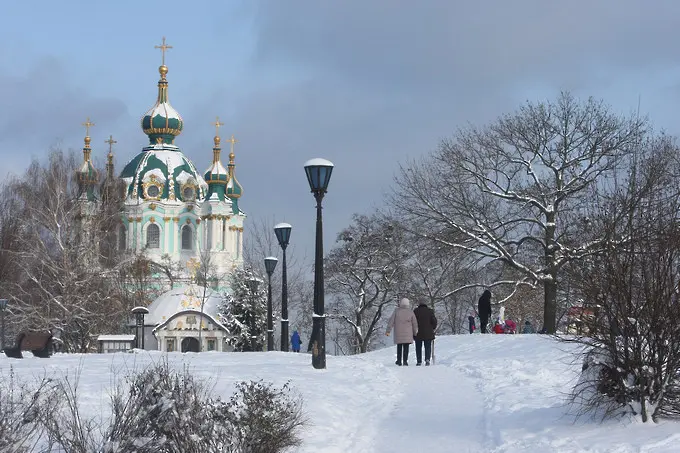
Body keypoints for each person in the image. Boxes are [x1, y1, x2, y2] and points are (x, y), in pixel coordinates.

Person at [386, 298, 418, 366]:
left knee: (399, 346)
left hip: (398, 333)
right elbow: (415, 323)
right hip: (408, 333)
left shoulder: (396, 311)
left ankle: (399, 361)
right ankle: (405, 361)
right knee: (406, 347)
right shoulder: (410, 312)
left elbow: (391, 321)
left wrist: (388, 331)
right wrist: (415, 333)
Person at [414, 301, 438, 366]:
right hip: (428, 332)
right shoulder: (430, 311)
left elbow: (413, 322)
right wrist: (432, 328)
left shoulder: (415, 311)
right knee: (428, 347)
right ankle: (427, 359)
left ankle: (419, 361)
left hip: (418, 332)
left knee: (418, 347)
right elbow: (434, 321)